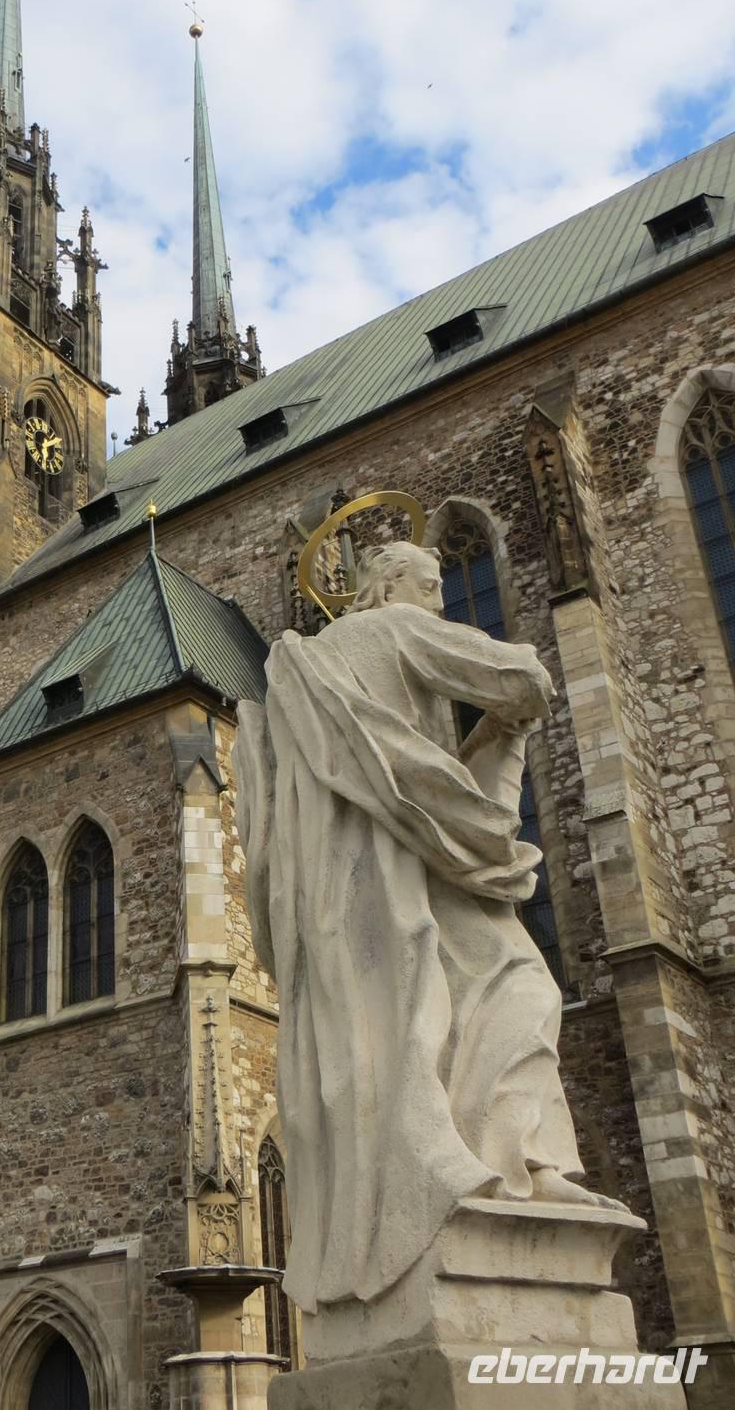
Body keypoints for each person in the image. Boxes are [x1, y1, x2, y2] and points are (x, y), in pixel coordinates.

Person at [234, 540, 622, 1313]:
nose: (441, 601)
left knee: (387, 1038)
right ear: (387, 587)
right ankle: (519, 1164)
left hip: (335, 894)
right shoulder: (393, 629)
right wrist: (517, 704)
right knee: (520, 985)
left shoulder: (304, 667)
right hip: (407, 867)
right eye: (430, 584)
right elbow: (519, 676)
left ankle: (450, 1188)